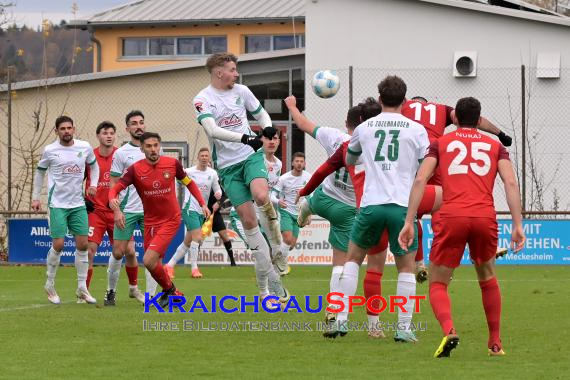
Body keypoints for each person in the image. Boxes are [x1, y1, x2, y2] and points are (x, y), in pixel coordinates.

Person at [398, 97, 525, 358]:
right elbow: (511, 183)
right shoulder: (495, 146)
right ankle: (495, 343)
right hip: (484, 217)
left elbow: (421, 178)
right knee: (488, 277)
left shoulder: (440, 143)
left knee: (438, 283)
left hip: (451, 216)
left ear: (455, 119)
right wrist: (517, 224)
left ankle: (449, 330)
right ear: (479, 120)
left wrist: (409, 220)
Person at [334, 76, 429, 343]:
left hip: (371, 204)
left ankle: (341, 321)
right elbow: (425, 166)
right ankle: (404, 328)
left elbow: (350, 158)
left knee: (352, 259)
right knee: (406, 267)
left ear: (379, 99)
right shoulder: (416, 129)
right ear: (405, 100)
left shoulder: (364, 128)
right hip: (401, 205)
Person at [193, 52, 288, 303]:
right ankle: (273, 283)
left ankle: (277, 247)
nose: (236, 74)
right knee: (248, 221)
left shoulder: (242, 91)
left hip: (251, 156)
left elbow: (261, 114)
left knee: (261, 195)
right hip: (227, 167)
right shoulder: (203, 99)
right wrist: (245, 137)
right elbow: (212, 129)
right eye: (232, 69)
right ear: (219, 72)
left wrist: (266, 127)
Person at [296, 99, 389, 339]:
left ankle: (306, 208)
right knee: (343, 264)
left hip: (323, 197)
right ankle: (334, 311)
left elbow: (304, 124)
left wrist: (293, 106)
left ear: (347, 123)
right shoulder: (376, 147)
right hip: (348, 209)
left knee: (314, 197)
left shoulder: (334, 137)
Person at [401, 96, 513, 281]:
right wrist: (500, 133)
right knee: (446, 202)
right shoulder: (441, 109)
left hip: (418, 161)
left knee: (412, 214)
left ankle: (421, 263)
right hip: (438, 160)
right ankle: (472, 251)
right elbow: (470, 120)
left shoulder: (403, 106)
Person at [109, 132, 211, 308]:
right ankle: (172, 292)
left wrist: (202, 203)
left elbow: (189, 183)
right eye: (148, 146)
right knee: (153, 262)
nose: (153, 149)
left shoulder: (172, 164)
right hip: (150, 222)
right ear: (142, 148)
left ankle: (169, 290)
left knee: (148, 260)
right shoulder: (135, 169)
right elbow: (116, 187)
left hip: (170, 220)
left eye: (156, 145)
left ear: (160, 146)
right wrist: (112, 199)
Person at [32, 115, 100, 304]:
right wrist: (36, 198)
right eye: (62, 129)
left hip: (78, 204)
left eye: (69, 128)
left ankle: (82, 288)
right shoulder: (50, 150)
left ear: (74, 129)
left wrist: (93, 185)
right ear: (56, 131)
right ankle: (50, 284)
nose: (66, 131)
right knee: (59, 244)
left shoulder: (84, 147)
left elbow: (95, 167)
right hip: (57, 204)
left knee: (83, 245)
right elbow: (40, 173)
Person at [84, 122, 146, 303]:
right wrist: (83, 198)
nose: (109, 136)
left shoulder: (121, 154)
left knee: (130, 251)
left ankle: (133, 288)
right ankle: (84, 291)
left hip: (118, 210)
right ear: (98, 136)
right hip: (96, 210)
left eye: (112, 133)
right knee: (89, 250)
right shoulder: (90, 157)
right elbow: (78, 177)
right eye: (105, 133)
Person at [105, 110, 154, 306]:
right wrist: (116, 209)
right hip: (127, 210)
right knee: (118, 252)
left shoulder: (152, 149)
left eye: (141, 122)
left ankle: (151, 297)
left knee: (152, 253)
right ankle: (110, 291)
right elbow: (113, 183)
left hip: (150, 211)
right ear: (127, 129)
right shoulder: (122, 153)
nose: (138, 126)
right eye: (134, 123)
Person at [165, 147, 223, 278]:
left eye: (206, 156)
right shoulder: (189, 171)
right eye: (201, 155)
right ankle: (194, 269)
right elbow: (177, 179)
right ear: (198, 157)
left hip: (202, 210)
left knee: (187, 242)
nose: (204, 157)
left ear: (209, 158)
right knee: (198, 238)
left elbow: (217, 188)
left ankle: (169, 266)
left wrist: (219, 193)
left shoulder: (213, 173)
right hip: (189, 208)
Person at [271, 152, 312, 274]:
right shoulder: (284, 178)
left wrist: (309, 213)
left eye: (301, 161)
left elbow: (311, 196)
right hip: (286, 211)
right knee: (287, 240)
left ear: (304, 163)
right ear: (292, 163)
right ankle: (280, 266)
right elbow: (272, 195)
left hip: (299, 214)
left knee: (291, 245)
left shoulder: (309, 177)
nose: (299, 164)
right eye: (297, 161)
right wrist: (278, 202)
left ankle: (275, 257)